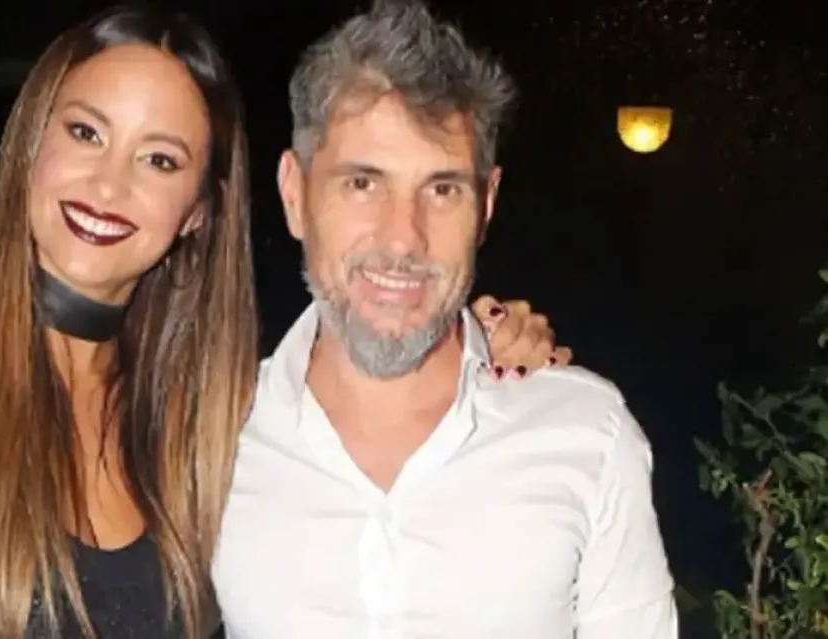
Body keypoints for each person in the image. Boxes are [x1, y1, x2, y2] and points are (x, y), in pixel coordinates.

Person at [0, 5, 568, 639]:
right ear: (30, 145)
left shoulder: (198, 407)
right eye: (86, 133)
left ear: (196, 213)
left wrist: (483, 342)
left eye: (159, 161)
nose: (108, 185)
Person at [212, 1, 678, 638]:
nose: (403, 238)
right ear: (294, 194)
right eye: (363, 183)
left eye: (442, 189)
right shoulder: (212, 438)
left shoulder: (588, 434)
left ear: (485, 206)